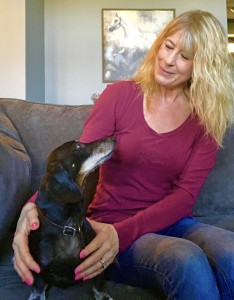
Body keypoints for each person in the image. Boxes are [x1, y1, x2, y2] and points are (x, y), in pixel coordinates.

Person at [1, 9, 234, 300]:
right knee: (186, 261)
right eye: (168, 46)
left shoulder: (206, 120)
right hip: (109, 222)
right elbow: (77, 164)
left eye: (185, 57)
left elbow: (185, 195)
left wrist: (121, 235)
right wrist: (30, 208)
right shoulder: (119, 96)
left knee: (230, 252)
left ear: (202, 66)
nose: (169, 60)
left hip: (173, 222)